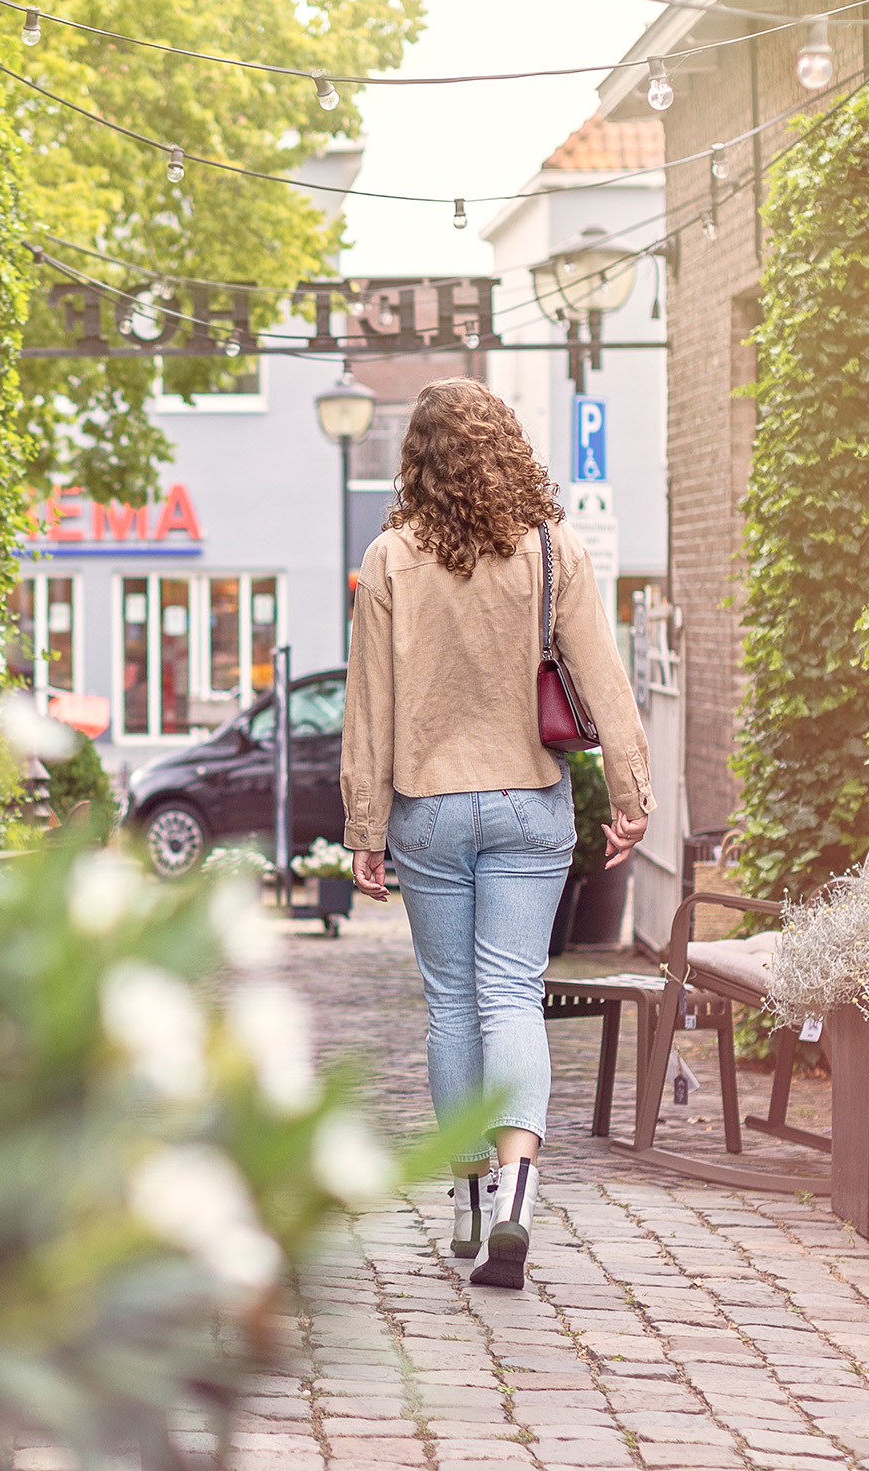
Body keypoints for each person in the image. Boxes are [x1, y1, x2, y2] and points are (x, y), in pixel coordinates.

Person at [340, 377, 651, 1290]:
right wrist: (630, 793)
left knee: (452, 1004)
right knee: (512, 992)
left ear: (416, 460)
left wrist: (365, 826)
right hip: (528, 802)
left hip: (429, 809)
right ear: (506, 445)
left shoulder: (389, 558)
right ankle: (519, 1189)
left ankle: (469, 1198)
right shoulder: (553, 548)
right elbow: (605, 679)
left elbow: (370, 707)